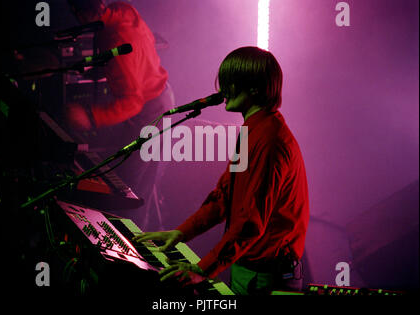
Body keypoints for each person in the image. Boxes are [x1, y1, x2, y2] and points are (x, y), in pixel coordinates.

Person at [133, 46, 309, 295]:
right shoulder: (255, 130)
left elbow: (250, 223)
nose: (222, 90)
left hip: (267, 276)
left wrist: (203, 269)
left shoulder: (269, 140)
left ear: (255, 88)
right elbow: (224, 197)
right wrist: (182, 232)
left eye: (229, 82)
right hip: (251, 268)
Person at [66, 0, 175, 230]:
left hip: (150, 109)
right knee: (133, 179)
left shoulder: (114, 38)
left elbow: (132, 102)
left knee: (130, 190)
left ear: (80, 12)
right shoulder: (123, 10)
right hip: (159, 98)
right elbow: (146, 43)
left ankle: (130, 251)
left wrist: (90, 117)